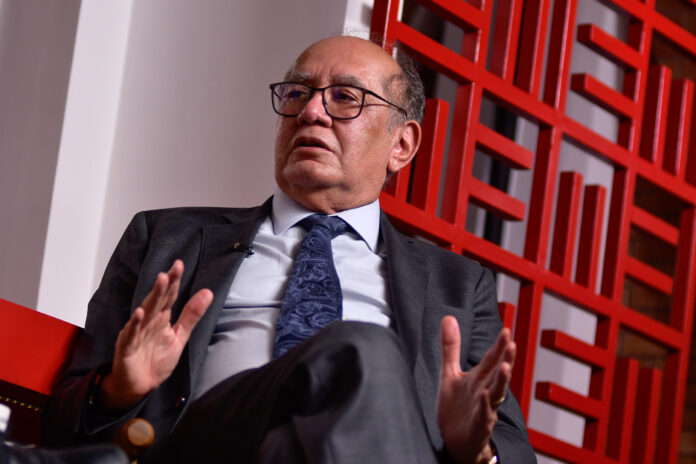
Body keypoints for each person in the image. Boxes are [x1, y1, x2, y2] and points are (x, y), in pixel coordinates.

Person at [44, 36, 536, 463]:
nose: (311, 112)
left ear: (402, 145)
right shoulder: (167, 238)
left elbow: (514, 449)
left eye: (345, 98)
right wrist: (119, 390)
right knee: (361, 349)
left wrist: (474, 451)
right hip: (205, 446)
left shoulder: (457, 284)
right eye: (298, 93)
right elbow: (60, 421)